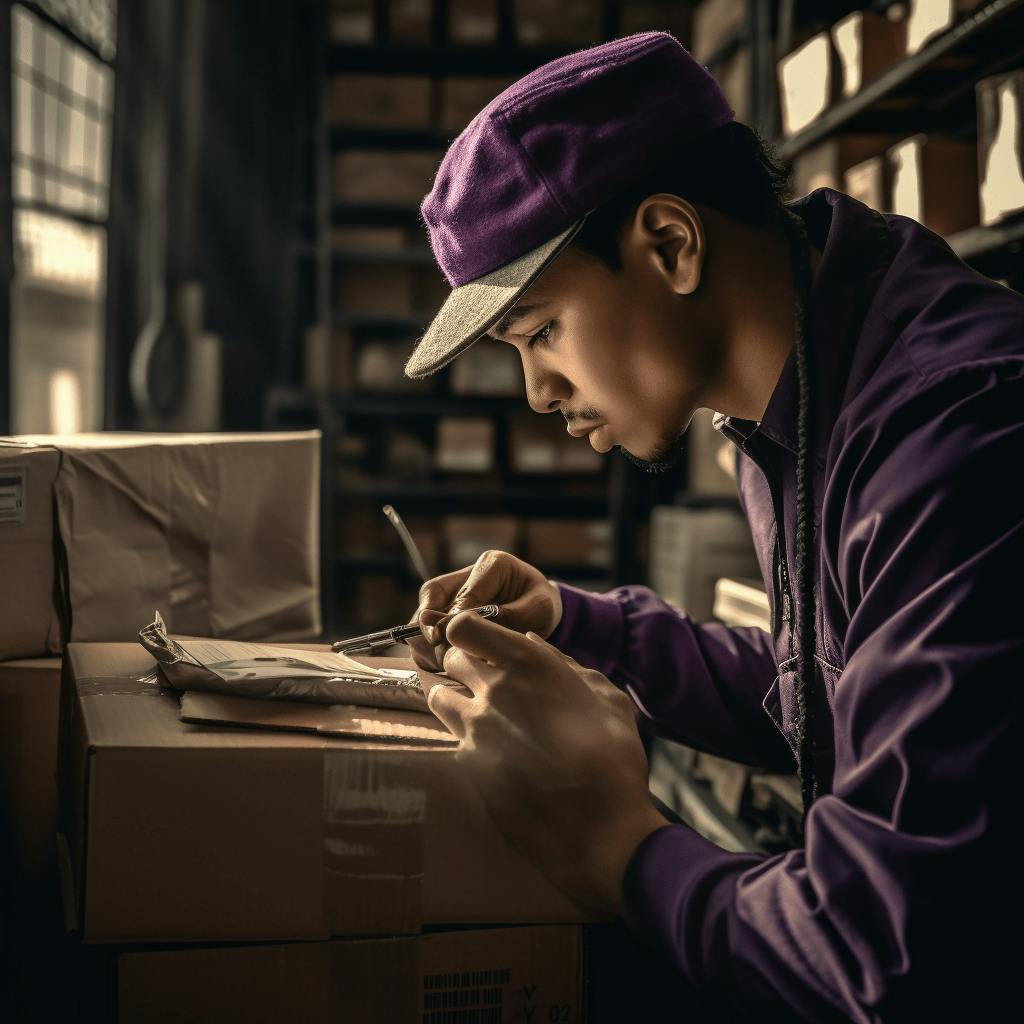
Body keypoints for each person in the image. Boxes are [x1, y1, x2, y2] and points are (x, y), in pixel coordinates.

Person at [401, 31, 1024, 1022]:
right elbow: (831, 687)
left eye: (541, 330)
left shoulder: (959, 436)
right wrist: (578, 621)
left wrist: (619, 845)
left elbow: (889, 951)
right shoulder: (796, 399)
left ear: (669, 244)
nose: (537, 391)